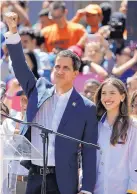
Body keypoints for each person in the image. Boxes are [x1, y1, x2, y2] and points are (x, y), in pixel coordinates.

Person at [4, 12, 98, 194]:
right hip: (34, 177)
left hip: (63, 181)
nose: (60, 71)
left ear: (75, 74)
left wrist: (86, 189)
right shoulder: (38, 89)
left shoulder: (86, 108)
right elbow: (19, 64)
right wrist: (13, 31)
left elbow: (89, 151)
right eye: (57, 66)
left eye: (65, 68)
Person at [94, 77, 137, 194]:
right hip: (97, 189)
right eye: (104, 93)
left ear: (122, 96)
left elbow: (135, 161)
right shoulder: (95, 125)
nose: (107, 97)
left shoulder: (132, 126)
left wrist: (132, 191)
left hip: (122, 190)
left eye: (112, 93)